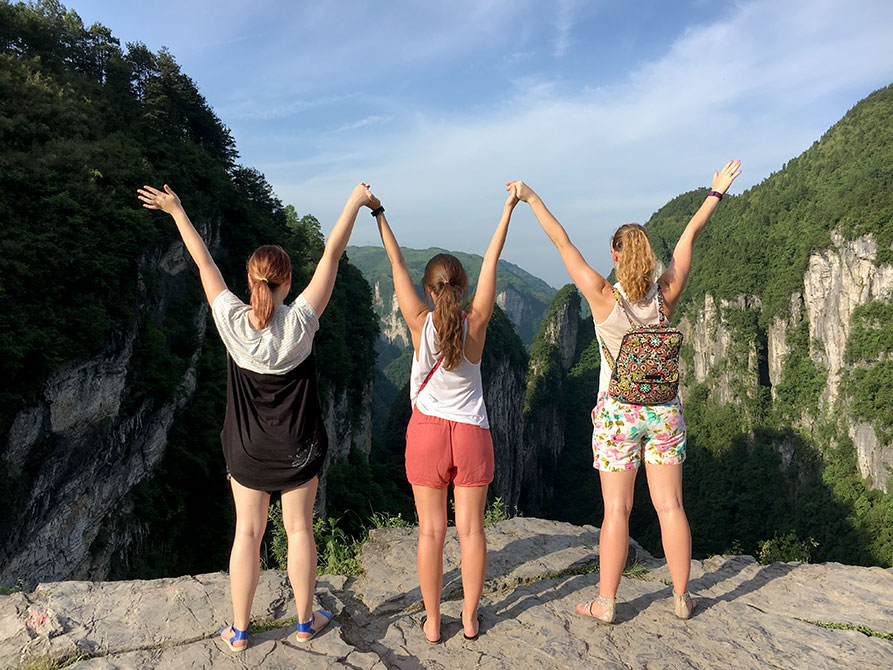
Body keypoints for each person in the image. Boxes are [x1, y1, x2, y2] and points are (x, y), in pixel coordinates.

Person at [136, 181, 375, 650]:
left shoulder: (231, 320)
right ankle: (307, 623)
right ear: (286, 283)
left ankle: (240, 631)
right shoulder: (302, 321)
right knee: (299, 529)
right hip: (298, 448)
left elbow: (204, 263)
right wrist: (353, 201)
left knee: (247, 532)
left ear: (250, 282)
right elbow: (332, 255)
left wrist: (177, 210)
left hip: (246, 450)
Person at [508, 160, 741, 622]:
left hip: (618, 414)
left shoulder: (601, 296)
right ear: (650, 258)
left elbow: (562, 243)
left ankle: (607, 602)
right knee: (670, 505)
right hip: (664, 410)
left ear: (615, 256)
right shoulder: (667, 294)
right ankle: (681, 598)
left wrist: (531, 198)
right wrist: (714, 194)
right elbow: (688, 240)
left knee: (617, 509)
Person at [370, 187, 518, 642]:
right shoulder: (477, 321)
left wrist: (379, 215)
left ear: (428, 290)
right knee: (471, 531)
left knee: (431, 533)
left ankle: (433, 622)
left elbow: (395, 265)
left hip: (428, 433)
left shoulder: (418, 321)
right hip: (472, 431)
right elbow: (492, 261)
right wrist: (509, 208)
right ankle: (471, 618)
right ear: (464, 287)